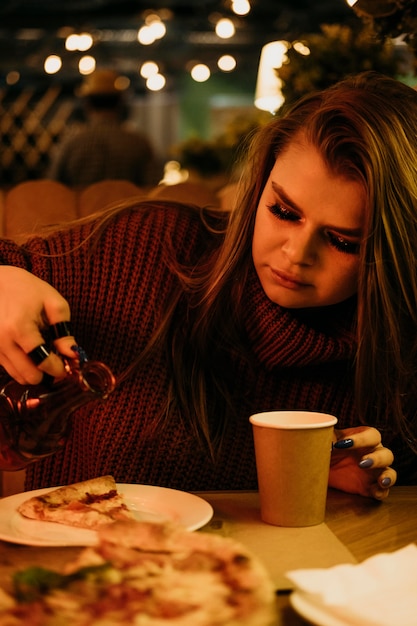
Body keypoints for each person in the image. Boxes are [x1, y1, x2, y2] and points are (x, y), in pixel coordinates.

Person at [1, 70, 413, 500]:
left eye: (343, 241)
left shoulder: (400, 354)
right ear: (257, 189)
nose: (295, 254)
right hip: (80, 559)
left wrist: (326, 488)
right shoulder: (145, 251)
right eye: (283, 212)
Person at [47, 69, 158, 187]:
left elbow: (53, 188)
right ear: (120, 103)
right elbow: (152, 188)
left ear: (87, 104)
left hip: (83, 205)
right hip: (128, 205)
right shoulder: (139, 144)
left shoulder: (71, 144)